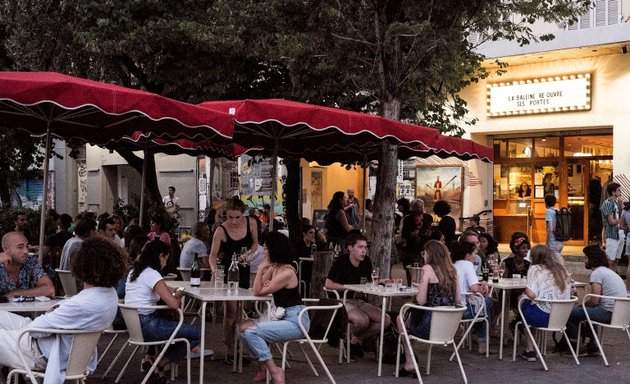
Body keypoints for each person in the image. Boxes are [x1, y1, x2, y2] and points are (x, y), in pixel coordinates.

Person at [0, 237, 126, 382]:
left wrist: (51, 313)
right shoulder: (110, 296)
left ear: (82, 266)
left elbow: (35, 330)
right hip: (60, 346)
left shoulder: (81, 304)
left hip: (36, 350)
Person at [125, 239, 202, 383]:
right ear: (160, 256)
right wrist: (178, 294)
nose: (166, 262)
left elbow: (152, 289)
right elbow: (174, 304)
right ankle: (159, 364)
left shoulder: (135, 271)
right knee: (196, 333)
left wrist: (167, 289)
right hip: (149, 326)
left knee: (174, 325)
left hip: (134, 325)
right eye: (166, 258)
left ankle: (153, 362)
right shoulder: (152, 274)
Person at [239, 232, 307, 384]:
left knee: (251, 333)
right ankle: (263, 368)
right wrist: (264, 272)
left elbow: (258, 291)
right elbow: (257, 288)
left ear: (274, 249)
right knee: (242, 330)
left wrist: (262, 267)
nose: (264, 251)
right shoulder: (275, 267)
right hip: (281, 316)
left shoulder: (287, 272)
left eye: (266, 248)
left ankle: (274, 370)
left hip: (296, 321)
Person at [397, 240, 460, 376]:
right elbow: (458, 300)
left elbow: (421, 300)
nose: (422, 256)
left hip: (430, 327)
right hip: (449, 329)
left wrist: (421, 288)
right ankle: (410, 359)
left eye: (424, 253)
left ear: (429, 254)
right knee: (410, 316)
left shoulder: (427, 269)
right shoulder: (452, 270)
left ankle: (410, 361)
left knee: (401, 318)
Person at [325, 232, 390, 359]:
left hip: (358, 299)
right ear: (350, 248)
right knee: (363, 320)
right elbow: (328, 284)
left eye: (365, 247)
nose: (364, 251)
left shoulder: (366, 262)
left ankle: (354, 340)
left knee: (385, 319)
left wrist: (379, 282)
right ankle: (343, 338)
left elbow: (365, 284)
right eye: (360, 247)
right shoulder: (341, 262)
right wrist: (348, 288)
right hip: (341, 300)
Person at [209, 196, 259, 355]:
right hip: (227, 272)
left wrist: (249, 254)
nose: (234, 221)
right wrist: (214, 269)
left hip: (244, 268)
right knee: (231, 311)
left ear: (243, 214)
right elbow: (212, 255)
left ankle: (235, 341)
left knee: (241, 309)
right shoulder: (221, 230)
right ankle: (230, 347)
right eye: (230, 217)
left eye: (237, 217)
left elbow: (255, 244)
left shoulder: (251, 222)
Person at [564, 245, 627, 355]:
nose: (584, 260)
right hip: (620, 314)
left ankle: (574, 345)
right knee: (586, 311)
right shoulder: (609, 272)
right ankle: (593, 343)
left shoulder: (597, 273)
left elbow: (594, 300)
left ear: (591, 259)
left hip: (608, 312)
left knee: (572, 313)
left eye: (585, 257)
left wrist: (582, 305)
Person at [517, 245, 571, 362]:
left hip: (543, 317)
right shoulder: (561, 269)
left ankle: (530, 349)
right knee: (531, 304)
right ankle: (533, 344)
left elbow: (531, 294)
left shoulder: (535, 268)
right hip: (561, 318)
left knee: (522, 300)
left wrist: (524, 289)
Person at [451, 241, 493, 355]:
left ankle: (479, 336)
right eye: (474, 253)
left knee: (484, 309)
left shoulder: (453, 265)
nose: (476, 256)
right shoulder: (467, 265)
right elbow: (475, 288)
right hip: (462, 310)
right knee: (488, 303)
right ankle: (482, 340)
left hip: (450, 307)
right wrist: (483, 289)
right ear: (467, 254)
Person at [0, 232, 55, 298]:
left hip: (25, 308)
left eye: (27, 246)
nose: (26, 251)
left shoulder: (30, 262)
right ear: (6, 249)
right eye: (20, 247)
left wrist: (15, 293)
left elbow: (49, 290)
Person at [400, 199, 433, 285]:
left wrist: (428, 233)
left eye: (421, 207)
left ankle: (422, 287)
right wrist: (412, 234)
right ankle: (410, 285)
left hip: (423, 246)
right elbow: (403, 234)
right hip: (410, 247)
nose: (420, 209)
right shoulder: (408, 219)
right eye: (417, 207)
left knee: (423, 268)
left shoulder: (428, 218)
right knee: (410, 269)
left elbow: (429, 230)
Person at [601, 182, 623, 271]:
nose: (620, 191)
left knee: (617, 259)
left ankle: (613, 277)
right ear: (613, 192)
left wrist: (621, 207)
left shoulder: (616, 203)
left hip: (619, 233)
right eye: (618, 190)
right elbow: (611, 221)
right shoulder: (607, 203)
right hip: (612, 235)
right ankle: (608, 278)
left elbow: (619, 217)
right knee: (610, 260)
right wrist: (622, 222)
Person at [294, 225, 317, 298]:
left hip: (311, 270)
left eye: (314, 233)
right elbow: (298, 257)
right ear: (304, 234)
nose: (313, 235)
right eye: (310, 233)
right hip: (301, 270)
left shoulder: (314, 246)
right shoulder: (299, 245)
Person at [544, 194, 565, 265]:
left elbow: (550, 228)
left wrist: (547, 242)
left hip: (553, 241)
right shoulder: (558, 210)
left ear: (545, 202)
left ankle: (564, 274)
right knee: (553, 262)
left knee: (559, 263)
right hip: (560, 240)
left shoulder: (548, 211)